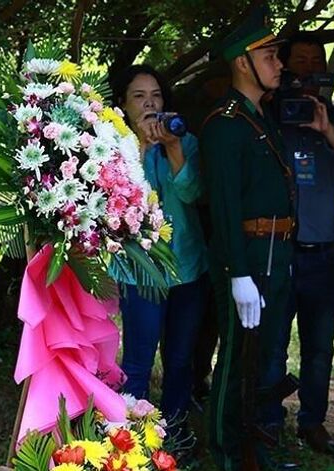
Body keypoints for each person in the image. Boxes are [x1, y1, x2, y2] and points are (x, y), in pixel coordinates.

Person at [199, 12, 294, 471]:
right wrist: (238, 272)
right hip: (247, 257)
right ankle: (228, 452)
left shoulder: (259, 118)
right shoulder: (226, 125)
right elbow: (224, 205)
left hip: (274, 253)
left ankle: (253, 445)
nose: (279, 64)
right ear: (242, 63)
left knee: (261, 359)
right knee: (237, 357)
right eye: (268, 56)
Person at [109, 65, 209, 450]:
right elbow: (120, 204)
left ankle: (175, 433)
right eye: (139, 96)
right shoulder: (114, 147)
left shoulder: (187, 141)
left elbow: (191, 194)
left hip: (186, 268)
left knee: (181, 359)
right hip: (139, 271)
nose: (150, 104)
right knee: (137, 360)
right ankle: (132, 442)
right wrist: (144, 148)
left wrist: (172, 148)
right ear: (122, 104)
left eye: (156, 96)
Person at [275, 35, 334, 456]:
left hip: (324, 253)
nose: (308, 70)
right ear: (286, 66)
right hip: (281, 251)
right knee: (273, 341)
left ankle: (313, 422)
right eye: (301, 61)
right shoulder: (273, 114)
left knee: (320, 348)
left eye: (316, 62)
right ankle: (267, 419)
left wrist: (328, 129)